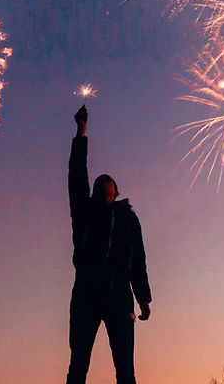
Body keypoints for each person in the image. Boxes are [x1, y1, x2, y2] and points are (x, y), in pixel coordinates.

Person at [65, 104, 152, 384]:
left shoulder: (128, 218)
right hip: (87, 290)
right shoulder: (85, 212)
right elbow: (76, 175)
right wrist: (81, 133)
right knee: (78, 366)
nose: (103, 182)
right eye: (99, 183)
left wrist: (144, 298)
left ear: (115, 192)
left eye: (108, 183)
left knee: (125, 370)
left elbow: (138, 259)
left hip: (119, 293)